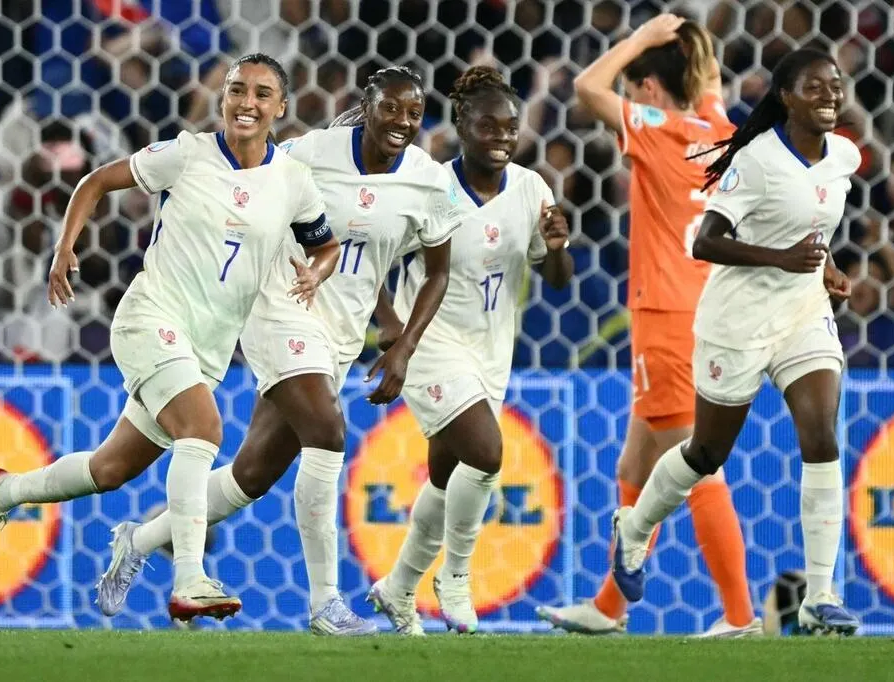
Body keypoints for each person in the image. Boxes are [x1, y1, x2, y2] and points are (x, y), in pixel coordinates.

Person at [0, 54, 340, 623]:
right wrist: (65, 247)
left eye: (262, 94)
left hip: (206, 347)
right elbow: (95, 181)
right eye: (237, 90)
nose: (247, 103)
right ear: (223, 98)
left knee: (110, 469)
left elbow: (324, 243)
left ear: (280, 107)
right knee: (204, 429)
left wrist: (316, 271)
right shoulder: (186, 154)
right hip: (150, 318)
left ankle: (5, 491)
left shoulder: (293, 180)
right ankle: (190, 579)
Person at [94, 66, 460, 635]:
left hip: (341, 334)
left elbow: (427, 268)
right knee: (328, 432)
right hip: (280, 307)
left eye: (413, 113)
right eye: (389, 108)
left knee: (252, 475)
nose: (401, 121)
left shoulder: (427, 181)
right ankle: (326, 604)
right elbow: (249, 182)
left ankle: (138, 541)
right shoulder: (310, 152)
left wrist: (400, 339)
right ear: (365, 108)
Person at [609, 47, 861, 636]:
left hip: (802, 312)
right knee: (706, 453)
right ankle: (635, 529)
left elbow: (812, 225)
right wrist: (780, 258)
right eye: (814, 87)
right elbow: (706, 242)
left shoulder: (844, 156)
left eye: (835, 85)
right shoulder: (755, 160)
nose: (829, 95)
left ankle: (820, 595)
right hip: (737, 320)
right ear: (786, 97)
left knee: (821, 436)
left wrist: (826, 267)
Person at [536, 14, 758, 637]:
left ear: (651, 91)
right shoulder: (720, 130)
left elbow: (587, 87)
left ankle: (740, 617)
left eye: (635, 91)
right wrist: (688, 40)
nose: (629, 104)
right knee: (637, 462)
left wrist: (639, 41)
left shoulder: (659, 128)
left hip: (665, 315)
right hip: (709, 311)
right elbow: (708, 80)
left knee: (698, 467)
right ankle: (610, 607)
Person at [366, 65, 574, 635]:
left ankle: (398, 587)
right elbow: (372, 257)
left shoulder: (531, 188)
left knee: (445, 475)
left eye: (510, 127)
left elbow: (557, 279)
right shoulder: (429, 188)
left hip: (491, 350)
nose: (502, 137)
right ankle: (456, 577)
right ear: (461, 125)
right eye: (488, 126)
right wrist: (391, 326)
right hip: (429, 342)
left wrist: (558, 248)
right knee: (486, 453)